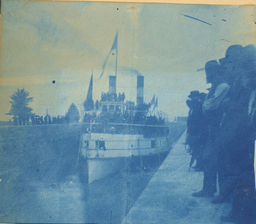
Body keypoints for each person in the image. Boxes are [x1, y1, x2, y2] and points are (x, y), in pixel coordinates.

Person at [220, 44, 256, 224]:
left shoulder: (247, 80)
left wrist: (228, 105)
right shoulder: (241, 79)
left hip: (242, 136)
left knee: (242, 177)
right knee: (238, 176)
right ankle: (238, 212)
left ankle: (241, 215)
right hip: (236, 135)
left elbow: (240, 108)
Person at [192, 60, 229, 197]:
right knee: (209, 158)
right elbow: (207, 105)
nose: (207, 74)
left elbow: (210, 106)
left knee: (219, 160)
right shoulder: (216, 86)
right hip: (214, 128)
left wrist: (204, 106)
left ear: (216, 71)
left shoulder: (222, 86)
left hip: (221, 128)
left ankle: (222, 193)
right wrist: (205, 105)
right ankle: (209, 189)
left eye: (209, 71)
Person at [186, 90, 208, 171]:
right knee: (195, 148)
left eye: (193, 97)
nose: (192, 99)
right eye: (191, 98)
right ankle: (198, 163)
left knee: (199, 148)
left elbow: (202, 120)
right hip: (193, 131)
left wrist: (200, 131)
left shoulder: (200, 106)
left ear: (197, 97)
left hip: (199, 131)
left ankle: (200, 165)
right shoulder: (193, 108)